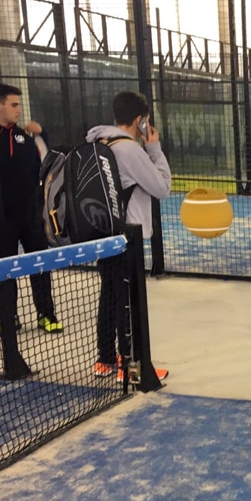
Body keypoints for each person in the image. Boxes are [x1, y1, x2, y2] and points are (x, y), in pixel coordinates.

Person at [86, 91, 171, 378]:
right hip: (128, 235)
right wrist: (155, 149)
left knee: (110, 294)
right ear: (140, 119)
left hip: (102, 232)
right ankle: (130, 365)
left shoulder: (97, 140)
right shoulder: (130, 149)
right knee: (128, 300)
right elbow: (162, 188)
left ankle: (105, 359)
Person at [0, 83, 62, 333]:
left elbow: (46, 161)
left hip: (30, 216)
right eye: (14, 105)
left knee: (39, 264)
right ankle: (8, 318)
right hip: (0, 219)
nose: (19, 110)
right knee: (3, 270)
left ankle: (46, 314)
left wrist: (42, 135)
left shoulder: (24, 137)